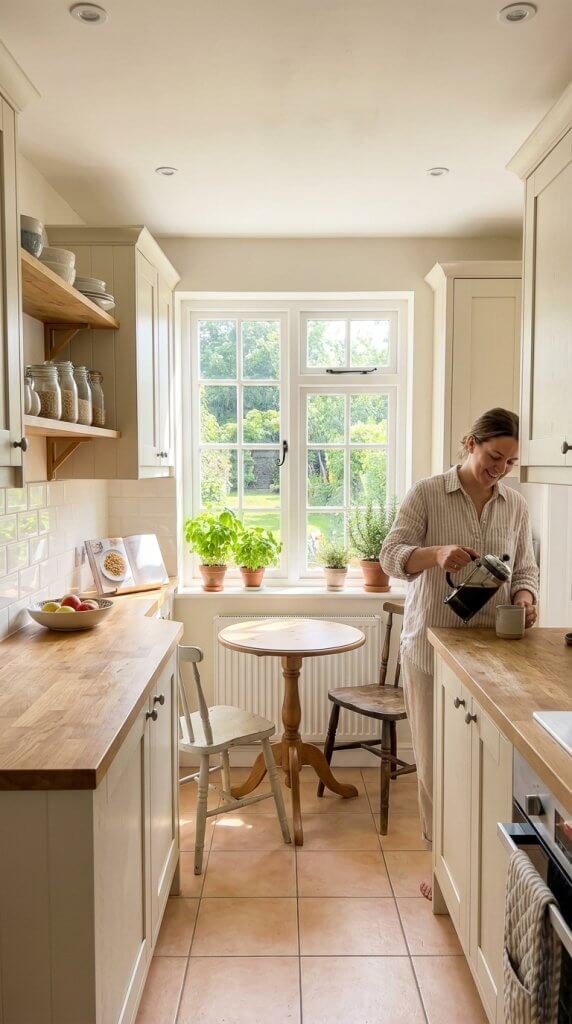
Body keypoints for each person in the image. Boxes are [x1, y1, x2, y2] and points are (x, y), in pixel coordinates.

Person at [380, 408, 538, 899]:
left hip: (496, 655)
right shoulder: (427, 493)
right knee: (435, 763)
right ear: (469, 444)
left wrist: (526, 599)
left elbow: (526, 569)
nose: (500, 469)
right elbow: (391, 556)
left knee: (488, 767)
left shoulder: (515, 507)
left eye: (510, 462)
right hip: (432, 650)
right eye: (494, 456)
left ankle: (483, 865)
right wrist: (436, 554)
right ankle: (442, 865)